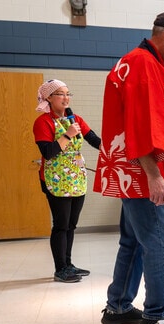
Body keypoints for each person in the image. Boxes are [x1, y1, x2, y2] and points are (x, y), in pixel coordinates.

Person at [96, 11, 164, 324]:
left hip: (130, 171)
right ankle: (157, 311)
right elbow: (141, 124)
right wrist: (154, 175)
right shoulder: (144, 64)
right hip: (141, 171)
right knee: (160, 242)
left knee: (132, 239)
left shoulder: (137, 61)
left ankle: (117, 306)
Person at [33, 79, 101, 283]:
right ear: (48, 98)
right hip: (55, 179)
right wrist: (68, 135)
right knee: (61, 225)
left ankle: (68, 264)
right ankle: (59, 269)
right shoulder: (42, 122)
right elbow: (48, 152)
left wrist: (115, 152)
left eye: (68, 93)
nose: (66, 97)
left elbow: (94, 140)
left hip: (76, 177)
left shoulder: (76, 118)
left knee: (71, 224)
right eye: (60, 94)